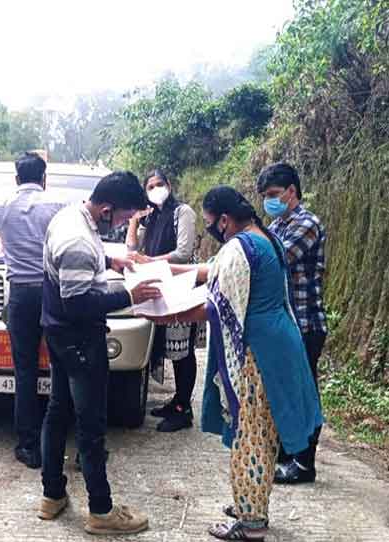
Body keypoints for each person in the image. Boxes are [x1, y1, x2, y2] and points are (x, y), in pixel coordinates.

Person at [148, 186, 323, 541]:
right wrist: (159, 267)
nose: (213, 230)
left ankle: (251, 524)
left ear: (224, 220)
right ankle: (252, 503)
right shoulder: (265, 238)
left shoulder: (239, 248)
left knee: (251, 437)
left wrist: (163, 315)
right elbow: (211, 272)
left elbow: (216, 307)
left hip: (257, 353)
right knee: (263, 434)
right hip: (280, 343)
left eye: (212, 224)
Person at [38, 171, 161, 535]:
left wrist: (111, 263)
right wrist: (129, 297)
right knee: (91, 425)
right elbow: (77, 302)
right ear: (107, 209)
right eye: (124, 217)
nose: (125, 223)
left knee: (57, 411)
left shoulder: (72, 216)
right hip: (78, 337)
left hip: (58, 332)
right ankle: (101, 510)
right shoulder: (76, 237)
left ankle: (52, 495)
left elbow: (75, 267)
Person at [0, 152, 64, 469]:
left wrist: (0, 234)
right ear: (44, 178)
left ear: (16, 178)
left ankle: (28, 446)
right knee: (61, 367)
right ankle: (59, 440)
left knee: (24, 370)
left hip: (20, 296)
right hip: (54, 293)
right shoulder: (59, 207)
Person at [257, 162, 327, 485]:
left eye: (273, 194)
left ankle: (305, 463)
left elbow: (274, 259)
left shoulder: (307, 224)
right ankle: (287, 455)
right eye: (265, 196)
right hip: (286, 325)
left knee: (304, 392)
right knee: (283, 390)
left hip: (306, 323)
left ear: (291, 192)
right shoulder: (277, 225)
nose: (269, 201)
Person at [125, 170, 198, 432]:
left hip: (180, 285)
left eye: (159, 184)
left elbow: (183, 252)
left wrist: (151, 261)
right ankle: (176, 401)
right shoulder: (152, 216)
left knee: (181, 349)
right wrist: (134, 220)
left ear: (169, 185)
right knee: (166, 345)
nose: (156, 189)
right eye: (150, 187)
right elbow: (132, 249)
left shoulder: (183, 212)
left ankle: (183, 408)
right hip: (159, 286)